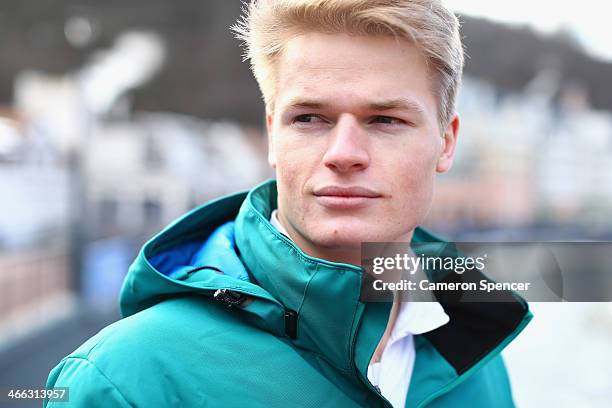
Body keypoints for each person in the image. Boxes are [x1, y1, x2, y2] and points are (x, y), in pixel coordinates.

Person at [44, 1, 532, 407]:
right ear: (272, 135)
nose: (344, 154)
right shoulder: (125, 381)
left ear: (446, 143)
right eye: (310, 118)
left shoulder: (474, 359)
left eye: (385, 120)